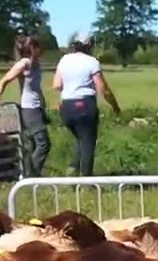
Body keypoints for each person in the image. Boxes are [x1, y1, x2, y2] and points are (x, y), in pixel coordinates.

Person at [52, 33, 121, 176]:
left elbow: (57, 85)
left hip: (67, 107)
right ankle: (86, 181)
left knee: (81, 139)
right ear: (89, 45)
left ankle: (73, 168)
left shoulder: (64, 60)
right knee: (88, 142)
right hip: (85, 106)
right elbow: (103, 88)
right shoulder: (92, 62)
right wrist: (115, 106)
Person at [0, 35, 49, 177]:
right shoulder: (24, 64)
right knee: (44, 143)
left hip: (37, 107)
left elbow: (36, 87)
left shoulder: (36, 64)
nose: (40, 49)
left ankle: (28, 173)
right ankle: (31, 175)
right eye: (37, 47)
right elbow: (4, 80)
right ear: (31, 48)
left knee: (32, 145)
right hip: (30, 108)